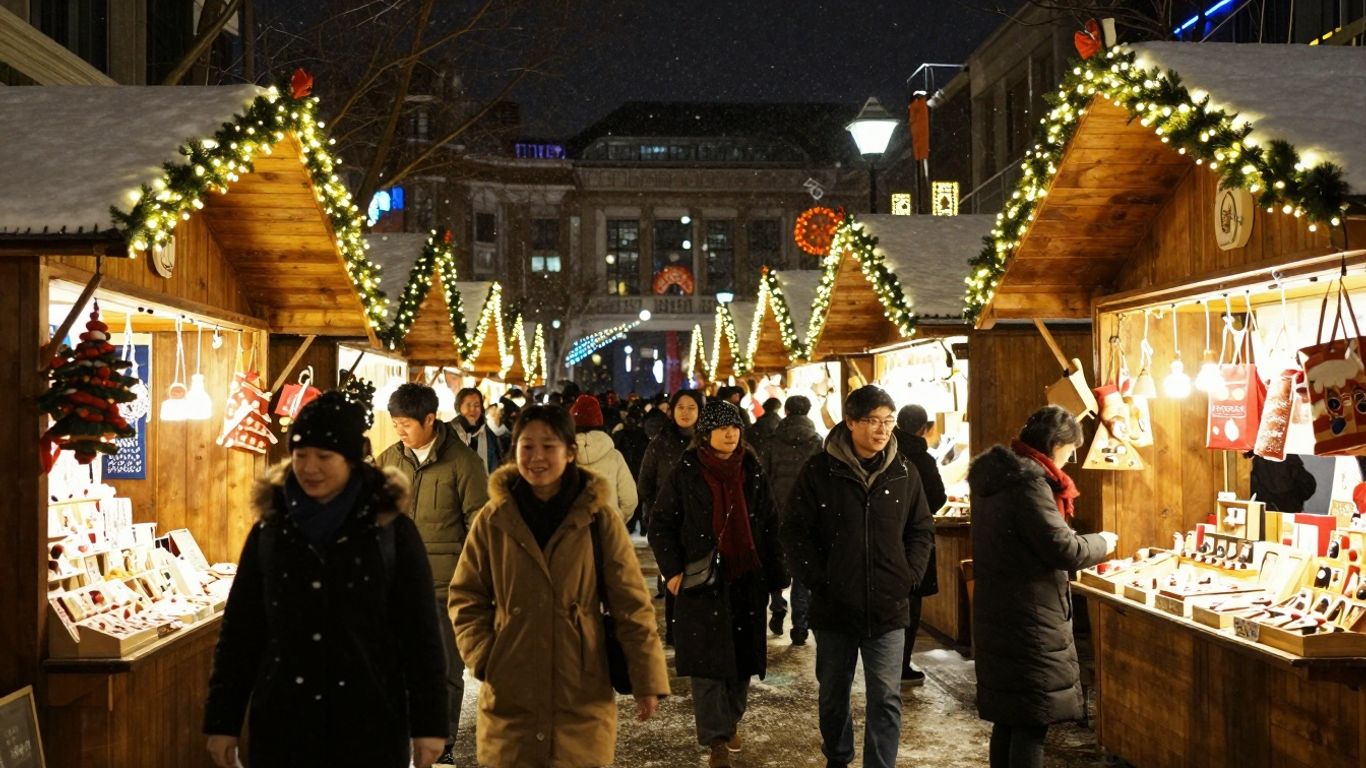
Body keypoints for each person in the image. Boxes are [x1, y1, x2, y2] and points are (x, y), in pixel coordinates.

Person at [204, 392, 447, 768]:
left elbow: (420, 634)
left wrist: (429, 724)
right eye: (301, 456)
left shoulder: (390, 530)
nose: (310, 468)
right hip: (283, 725)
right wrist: (223, 721)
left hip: (369, 725)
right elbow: (241, 632)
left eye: (324, 457)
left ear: (350, 460)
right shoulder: (271, 529)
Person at [448, 405, 670, 767]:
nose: (537, 457)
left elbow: (630, 603)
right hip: (510, 684)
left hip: (581, 681)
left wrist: (646, 678)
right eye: (526, 446)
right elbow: (466, 595)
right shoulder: (494, 517)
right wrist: (487, 657)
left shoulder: (598, 518)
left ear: (570, 451)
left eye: (548, 446)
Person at [781, 385, 934, 768]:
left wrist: (909, 575)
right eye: (873, 421)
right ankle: (838, 756)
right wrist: (820, 579)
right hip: (835, 606)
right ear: (850, 422)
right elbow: (794, 530)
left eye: (888, 422)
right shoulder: (820, 469)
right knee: (834, 693)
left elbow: (920, 529)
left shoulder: (904, 471)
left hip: (889, 604)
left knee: (886, 697)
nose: (882, 430)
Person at [968, 405, 1117, 768]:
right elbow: (1062, 547)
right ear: (1056, 444)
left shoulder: (997, 478)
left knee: (1009, 720)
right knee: (1031, 724)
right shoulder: (1029, 483)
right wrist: (1103, 541)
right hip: (1029, 619)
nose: (1072, 457)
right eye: (1071, 449)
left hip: (1001, 612)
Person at [648, 401, 788, 768]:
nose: (730, 433)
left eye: (735, 427)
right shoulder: (687, 472)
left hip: (746, 579)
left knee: (743, 662)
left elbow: (771, 524)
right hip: (702, 582)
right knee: (708, 664)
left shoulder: (752, 471)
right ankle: (716, 740)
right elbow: (661, 523)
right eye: (722, 427)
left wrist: (777, 575)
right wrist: (673, 571)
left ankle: (731, 719)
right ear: (705, 434)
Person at [374, 383, 491, 765]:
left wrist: (474, 580)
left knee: (442, 671)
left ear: (430, 419)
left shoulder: (463, 462)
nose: (400, 431)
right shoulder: (388, 460)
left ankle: (440, 747)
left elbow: (480, 524)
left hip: (445, 587)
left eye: (406, 423)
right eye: (395, 424)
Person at [638, 388, 704, 639]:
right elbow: (645, 484)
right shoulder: (659, 443)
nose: (685, 413)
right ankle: (676, 632)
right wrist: (659, 512)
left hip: (702, 520)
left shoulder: (707, 440)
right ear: (671, 411)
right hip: (669, 524)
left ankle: (698, 630)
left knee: (700, 575)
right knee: (674, 576)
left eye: (691, 408)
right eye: (680, 408)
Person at [759, 394, 825, 645]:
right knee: (801, 569)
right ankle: (800, 625)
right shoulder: (816, 441)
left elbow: (763, 477)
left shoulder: (773, 441)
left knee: (777, 562)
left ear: (785, 412)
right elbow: (821, 478)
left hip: (777, 511)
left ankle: (777, 606)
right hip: (807, 514)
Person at [893, 404, 945, 687]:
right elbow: (938, 497)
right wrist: (918, 514)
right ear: (923, 428)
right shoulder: (922, 460)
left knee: (891, 600)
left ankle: (889, 660)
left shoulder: (887, 453)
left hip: (888, 539)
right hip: (915, 541)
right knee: (911, 603)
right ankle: (901, 664)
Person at [569, 393, 639, 524]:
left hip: (573, 533)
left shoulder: (563, 456)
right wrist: (618, 519)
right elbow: (630, 499)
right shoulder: (614, 456)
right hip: (607, 529)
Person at [452, 387, 502, 473]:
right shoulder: (449, 433)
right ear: (459, 407)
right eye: (468, 405)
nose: (473, 409)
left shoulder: (490, 435)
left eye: (477, 405)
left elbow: (495, 467)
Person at [1250, 453, 1317, 513]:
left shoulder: (1257, 457)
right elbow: (1308, 486)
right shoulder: (1289, 456)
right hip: (1290, 509)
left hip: (1265, 511)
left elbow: (1252, 487)